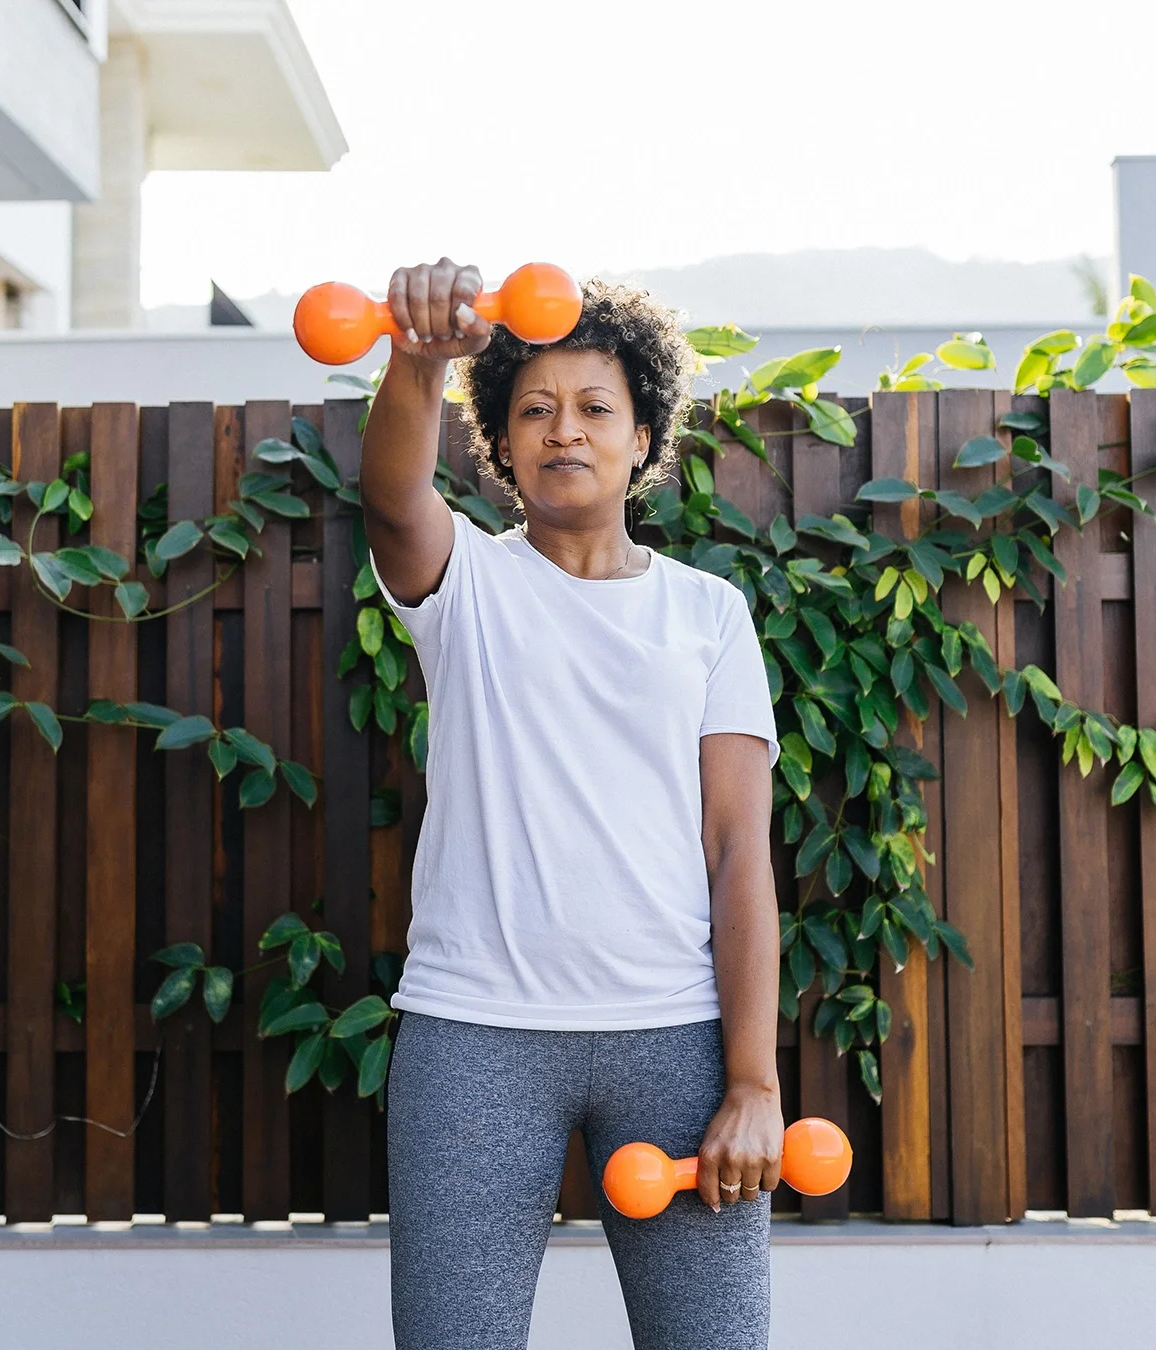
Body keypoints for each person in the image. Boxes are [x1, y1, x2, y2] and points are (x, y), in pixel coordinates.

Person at [361, 258, 782, 1350]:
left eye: (597, 408)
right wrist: (417, 361)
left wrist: (752, 1081)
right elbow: (393, 498)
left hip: (675, 1042)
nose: (565, 431)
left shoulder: (709, 615)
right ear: (499, 445)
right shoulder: (469, 587)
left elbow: (739, 853)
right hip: (474, 1035)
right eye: (533, 411)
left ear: (644, 436)